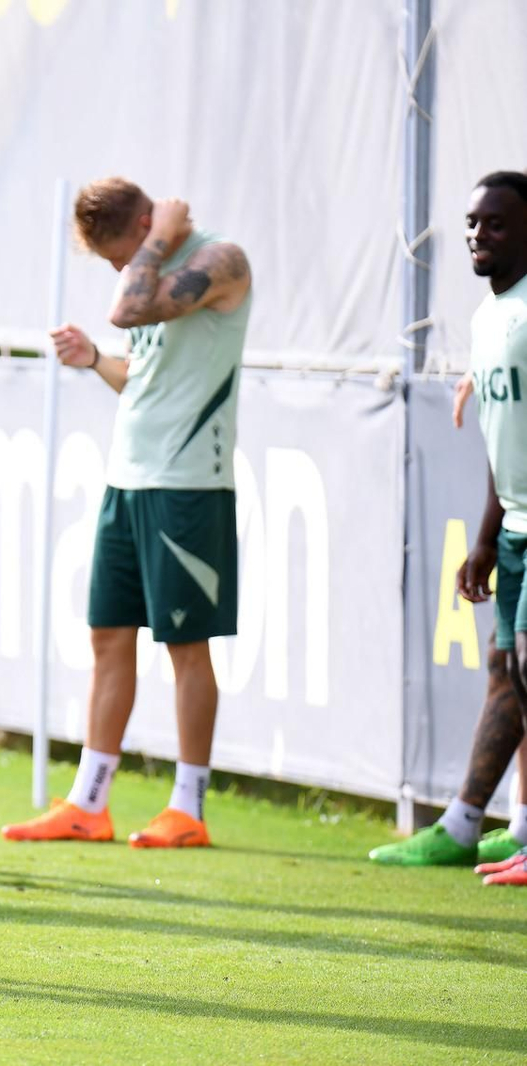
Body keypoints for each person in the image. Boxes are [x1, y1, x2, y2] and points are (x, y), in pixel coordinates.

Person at [3, 177, 251, 848]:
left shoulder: (218, 260)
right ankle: (89, 802)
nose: (121, 273)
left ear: (149, 224)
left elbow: (129, 310)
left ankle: (189, 807)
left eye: (123, 256)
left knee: (184, 646)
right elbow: (139, 370)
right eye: (112, 264)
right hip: (127, 481)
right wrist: (93, 364)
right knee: (108, 637)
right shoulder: (144, 280)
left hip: (190, 485)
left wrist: (162, 241)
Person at [372, 171, 527, 885]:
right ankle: (467, 824)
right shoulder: (490, 318)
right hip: (517, 527)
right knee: (505, 671)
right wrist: (489, 535)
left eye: (495, 223)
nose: (477, 235)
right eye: (471, 223)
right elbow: (506, 438)